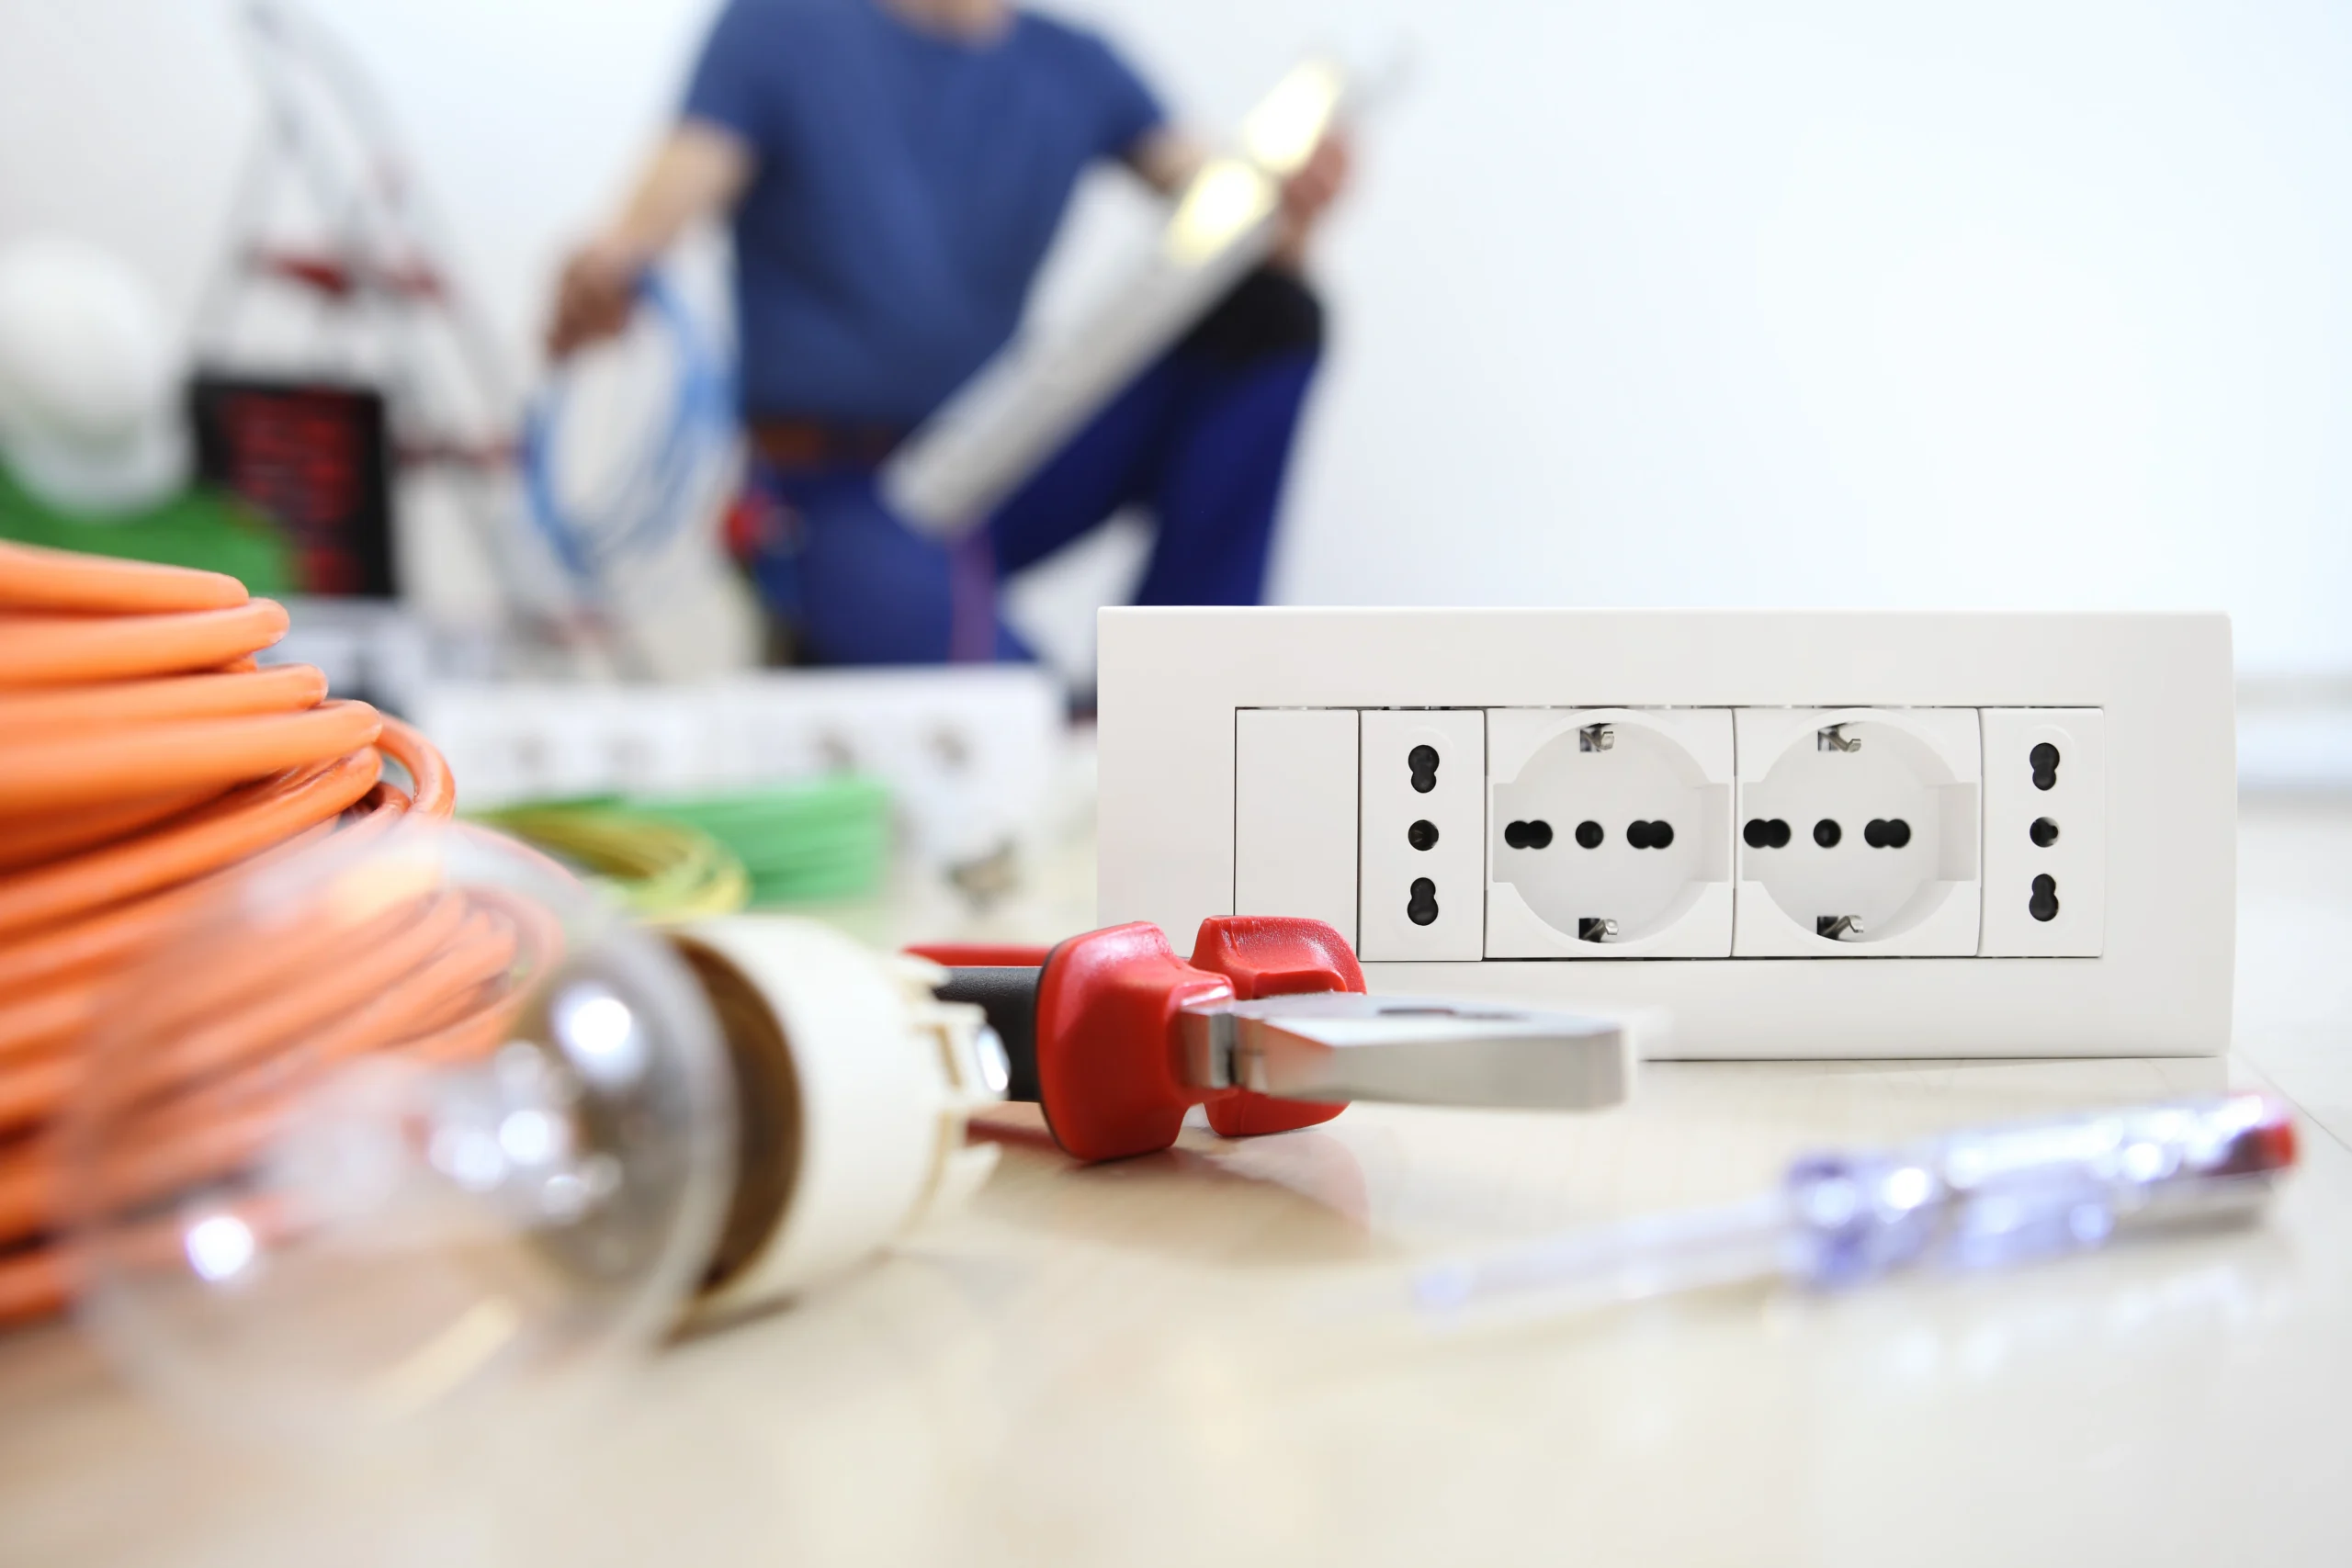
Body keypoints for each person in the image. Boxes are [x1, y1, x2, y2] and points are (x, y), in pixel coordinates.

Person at [548, 0, 1348, 665]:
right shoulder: (779, 28)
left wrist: (1293, 206)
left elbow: (1241, 221)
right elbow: (656, 213)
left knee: (1273, 315)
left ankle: (1187, 686)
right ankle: (885, 645)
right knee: (1009, 716)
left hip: (1000, 463)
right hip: (834, 491)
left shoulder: (1075, 63)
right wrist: (608, 270)